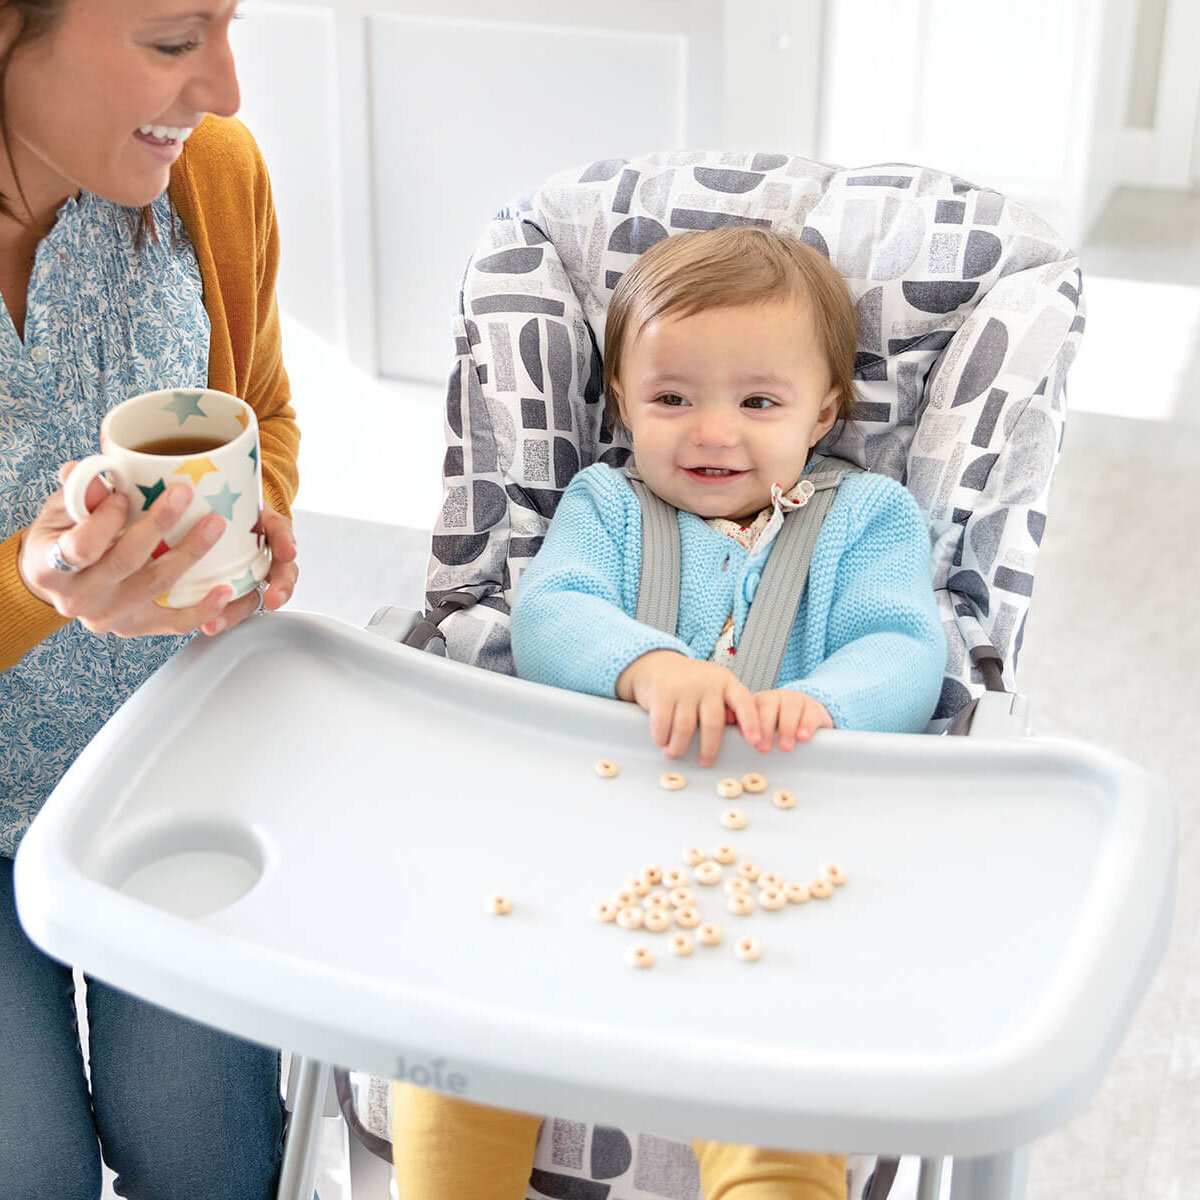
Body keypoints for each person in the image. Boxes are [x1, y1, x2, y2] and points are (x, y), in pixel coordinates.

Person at [391, 227, 946, 1199]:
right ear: (622, 403)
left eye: (759, 402)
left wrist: (822, 703)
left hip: (772, 871)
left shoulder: (867, 519)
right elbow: (550, 614)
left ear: (823, 411)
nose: (712, 432)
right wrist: (646, 663)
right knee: (447, 1043)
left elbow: (904, 650)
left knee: (775, 1102)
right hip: (572, 855)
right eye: (673, 398)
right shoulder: (606, 505)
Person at [0, 2, 300, 1197]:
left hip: (162, 767)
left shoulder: (209, 177)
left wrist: (255, 519)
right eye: (175, 43)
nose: (222, 90)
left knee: (207, 1154)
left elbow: (263, 411)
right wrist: (35, 587)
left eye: (227, 29)